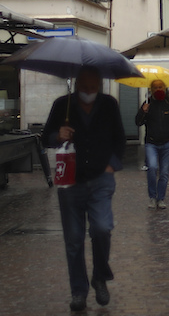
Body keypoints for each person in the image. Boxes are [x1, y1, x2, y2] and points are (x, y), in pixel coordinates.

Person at [41, 67, 125, 312]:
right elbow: (46, 136)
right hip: (71, 181)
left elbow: (119, 139)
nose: (89, 92)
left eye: (93, 88)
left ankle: (100, 276)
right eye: (84, 87)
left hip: (101, 179)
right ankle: (78, 291)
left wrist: (112, 165)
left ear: (99, 86)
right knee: (74, 239)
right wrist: (59, 135)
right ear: (77, 85)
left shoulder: (109, 105)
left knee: (101, 228)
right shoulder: (62, 105)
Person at [135, 79, 169, 209]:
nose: (158, 89)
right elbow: (138, 122)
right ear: (151, 90)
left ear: (164, 88)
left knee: (164, 172)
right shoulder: (148, 103)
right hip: (151, 143)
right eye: (155, 87)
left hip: (167, 143)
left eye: (160, 87)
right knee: (152, 168)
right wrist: (143, 112)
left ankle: (161, 198)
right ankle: (152, 197)